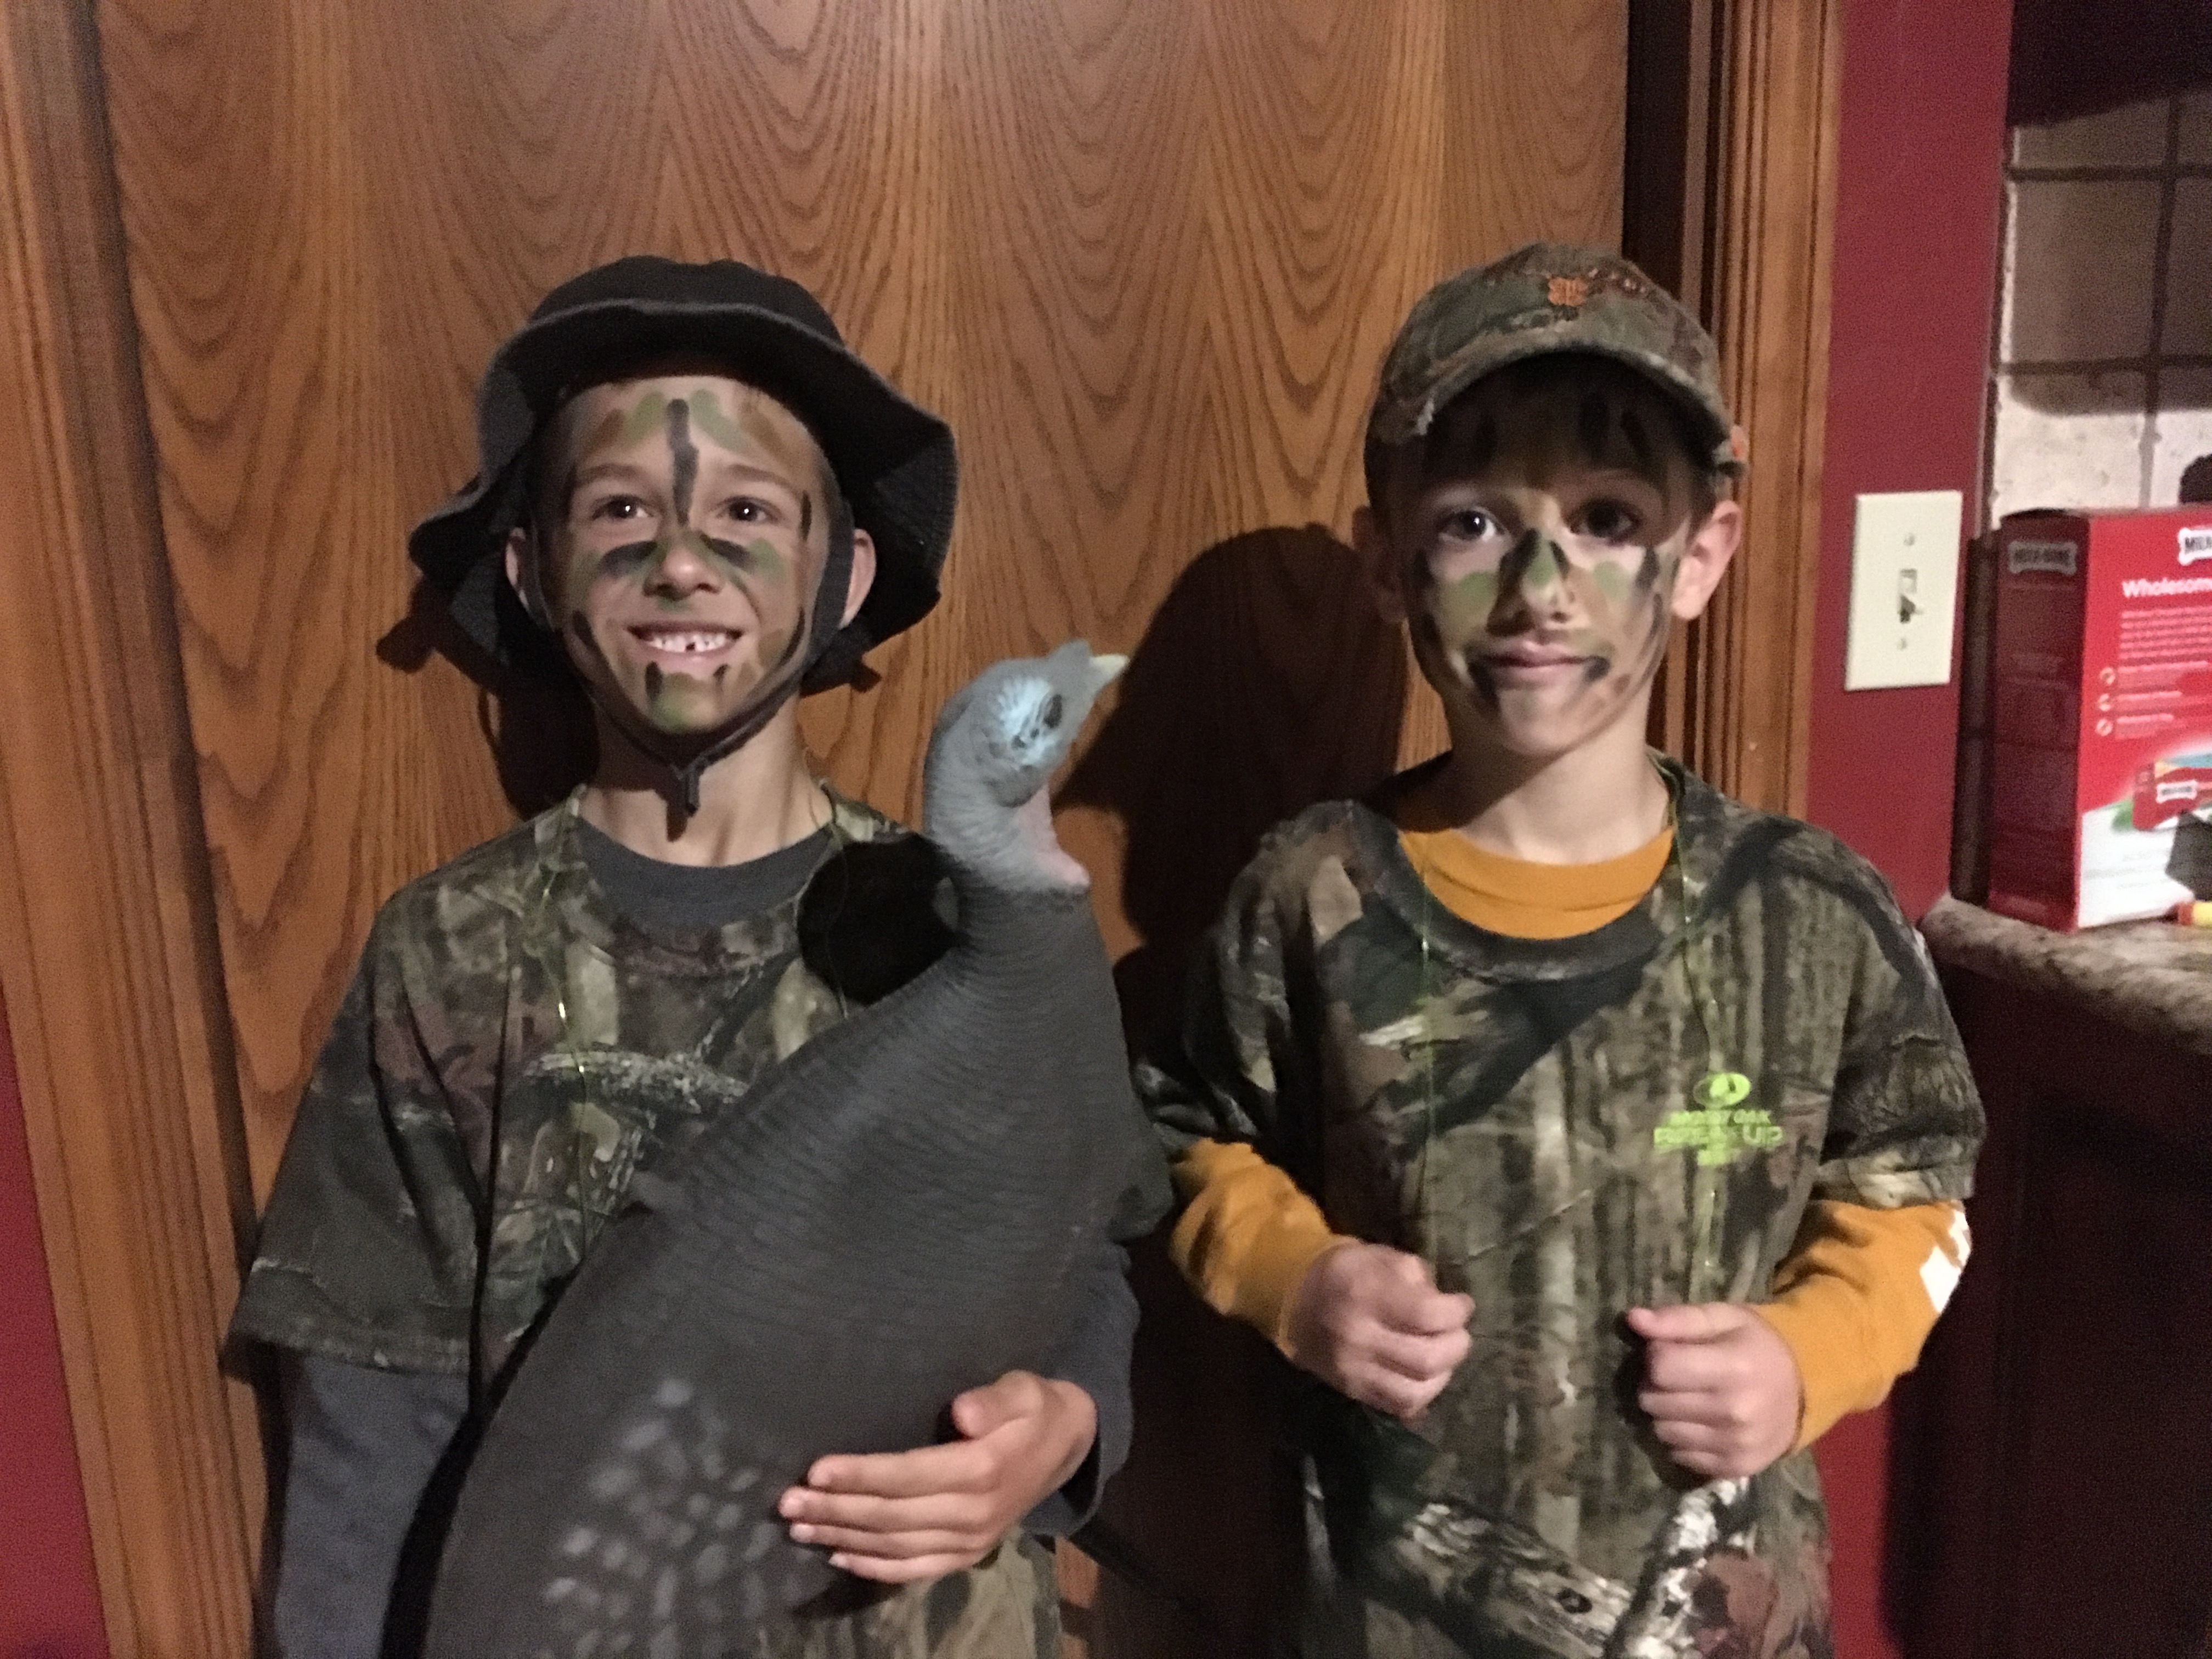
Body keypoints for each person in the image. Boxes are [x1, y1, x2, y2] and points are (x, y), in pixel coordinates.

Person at [229, 256, 1165, 1658]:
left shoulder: (954, 928)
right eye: (621, 509)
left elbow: (1085, 1251)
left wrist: (1067, 1425)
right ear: (532, 570)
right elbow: (369, 1415)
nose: (681, 562)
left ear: (844, 571)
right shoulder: (454, 950)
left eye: (746, 511)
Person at [1138, 243, 1983, 1657]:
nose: (1542, 584)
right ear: (1387, 563)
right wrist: (1294, 1279)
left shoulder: (1813, 914)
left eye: (1606, 519)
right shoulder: (1310, 896)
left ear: (1702, 555)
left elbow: (1923, 1187)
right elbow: (1180, 1132)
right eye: (1473, 523)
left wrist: (1810, 1353)